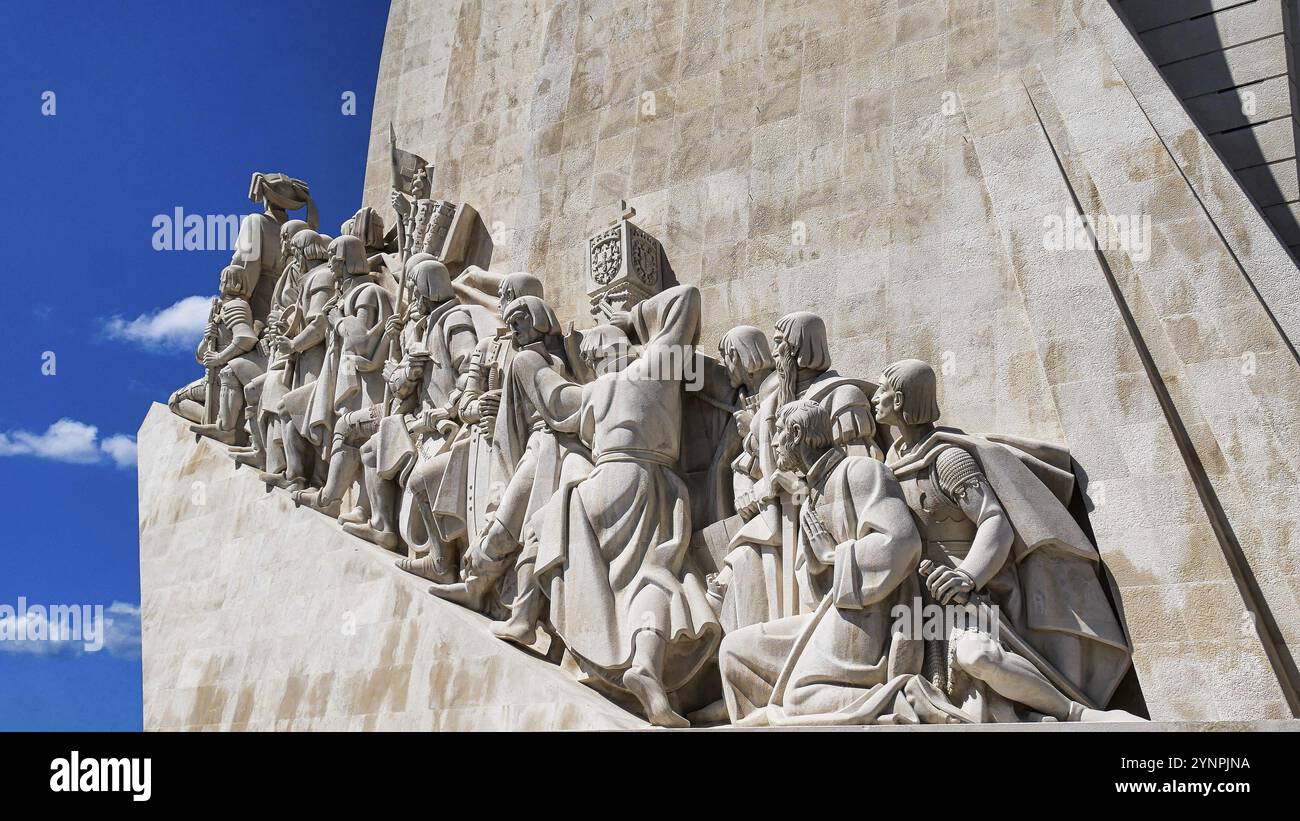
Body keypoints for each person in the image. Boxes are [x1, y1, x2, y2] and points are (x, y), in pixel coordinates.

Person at [490, 285, 722, 727]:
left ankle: (523, 617)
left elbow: (551, 397)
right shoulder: (655, 370)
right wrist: (631, 317)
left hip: (600, 486)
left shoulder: (594, 392)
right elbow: (685, 299)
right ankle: (646, 666)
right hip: (654, 485)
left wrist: (530, 358)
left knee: (542, 529)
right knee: (655, 577)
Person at [873, 359, 1139, 722]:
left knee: (977, 656)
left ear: (900, 400)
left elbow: (994, 521)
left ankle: (1074, 713)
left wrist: (967, 576)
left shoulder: (947, 460)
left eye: (883, 390)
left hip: (963, 596)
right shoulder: (890, 465)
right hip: (913, 600)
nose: (876, 398)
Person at [715, 399, 965, 726]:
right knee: (734, 653)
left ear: (796, 433)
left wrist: (835, 557)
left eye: (777, 434)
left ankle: (904, 700)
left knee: (799, 698)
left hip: (875, 615)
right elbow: (814, 580)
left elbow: (902, 543)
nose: (773, 444)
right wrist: (818, 566)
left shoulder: (861, 472)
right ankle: (772, 717)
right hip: (831, 612)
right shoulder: (810, 496)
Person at [428, 295, 580, 614]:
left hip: (552, 448)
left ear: (538, 317)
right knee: (507, 527)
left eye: (519, 320)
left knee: (525, 530)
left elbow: (558, 400)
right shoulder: (525, 359)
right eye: (509, 322)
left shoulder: (556, 358)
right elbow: (555, 401)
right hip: (538, 447)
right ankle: (477, 585)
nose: (512, 329)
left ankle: (513, 607)